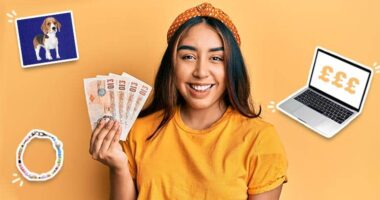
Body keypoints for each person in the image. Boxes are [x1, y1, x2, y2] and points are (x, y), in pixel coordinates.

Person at [89, 2, 288, 200]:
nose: (200, 72)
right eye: (188, 56)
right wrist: (119, 167)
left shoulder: (259, 138)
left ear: (231, 67)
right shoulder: (139, 131)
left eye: (216, 58)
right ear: (172, 64)